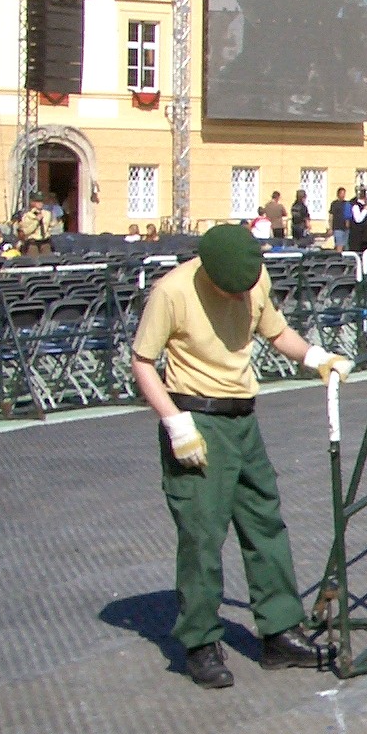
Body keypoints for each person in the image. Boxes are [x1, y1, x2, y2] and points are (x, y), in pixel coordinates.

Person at [129, 224, 349, 688]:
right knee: (202, 534)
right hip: (196, 417)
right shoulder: (171, 292)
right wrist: (174, 422)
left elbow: (277, 332)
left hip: (243, 417)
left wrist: (316, 358)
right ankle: (200, 642)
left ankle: (280, 632)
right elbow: (143, 363)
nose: (237, 298)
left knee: (264, 522)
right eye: (230, 291)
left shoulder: (255, 277)